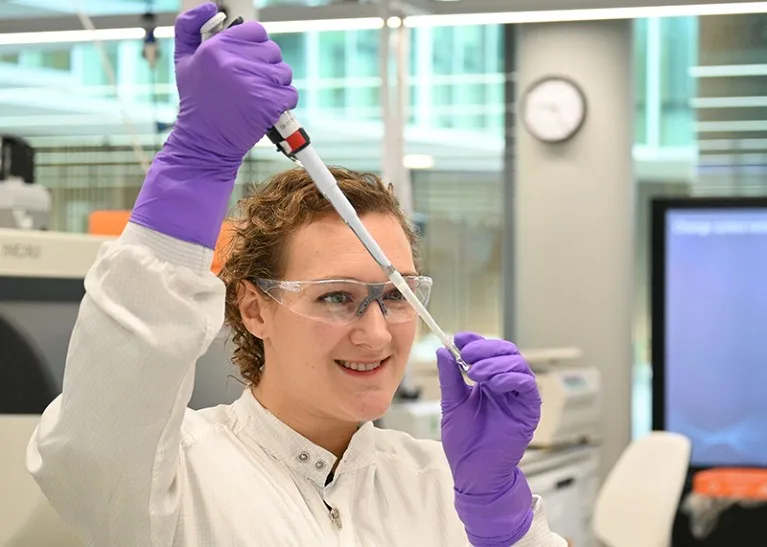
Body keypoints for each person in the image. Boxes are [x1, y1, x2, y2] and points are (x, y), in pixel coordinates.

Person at [27, 3, 567, 546]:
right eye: (336, 297)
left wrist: (500, 520)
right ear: (254, 308)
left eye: (397, 295)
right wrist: (196, 160)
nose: (377, 334)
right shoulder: (177, 476)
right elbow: (93, 442)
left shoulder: (442, 488)